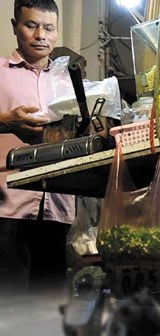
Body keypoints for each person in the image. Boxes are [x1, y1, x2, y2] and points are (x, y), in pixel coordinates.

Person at [0, 0, 75, 294]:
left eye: (48, 27)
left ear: (56, 32)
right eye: (31, 25)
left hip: (57, 205)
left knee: (47, 308)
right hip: (7, 206)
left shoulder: (70, 82)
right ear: (15, 26)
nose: (40, 34)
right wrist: (6, 122)